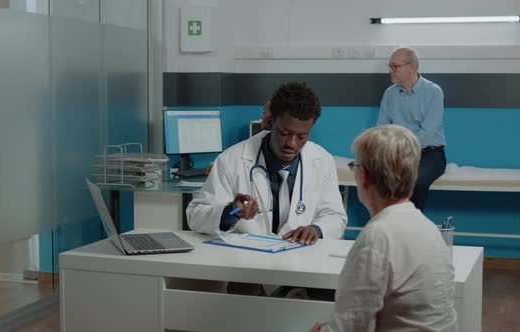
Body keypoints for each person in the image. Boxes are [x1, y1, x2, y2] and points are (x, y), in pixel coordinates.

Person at [310, 125, 457, 332]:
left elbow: (351, 325)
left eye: (355, 166)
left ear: (364, 176)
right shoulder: (428, 228)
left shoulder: (377, 237)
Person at [188, 81, 346, 244]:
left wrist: (316, 230)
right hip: (244, 260)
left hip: (301, 259)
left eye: (302, 136)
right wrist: (233, 211)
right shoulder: (231, 160)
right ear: (269, 123)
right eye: (285, 133)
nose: (292, 143)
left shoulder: (322, 160)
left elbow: (336, 216)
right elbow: (197, 217)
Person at [377, 47, 446, 211]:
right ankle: (388, 228)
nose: (390, 71)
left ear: (412, 67)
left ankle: (411, 229)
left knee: (415, 181)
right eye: (390, 66)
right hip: (397, 153)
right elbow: (382, 128)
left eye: (395, 66)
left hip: (430, 153)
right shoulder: (389, 94)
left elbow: (427, 133)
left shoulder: (433, 92)